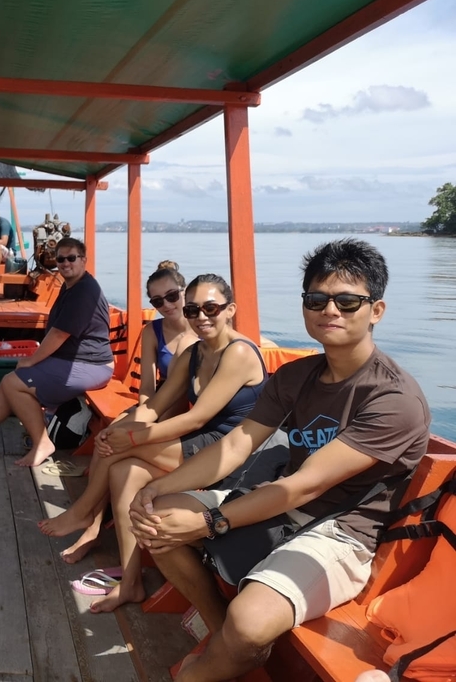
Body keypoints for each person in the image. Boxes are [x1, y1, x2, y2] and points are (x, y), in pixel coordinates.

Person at [130, 239, 430, 682]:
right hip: (277, 507)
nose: (331, 310)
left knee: (250, 624)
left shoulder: (393, 399)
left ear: (376, 310)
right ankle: (219, 629)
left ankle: (203, 667)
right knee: (157, 519)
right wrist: (157, 488)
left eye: (348, 301)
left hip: (341, 531)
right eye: (317, 299)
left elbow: (305, 486)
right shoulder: (295, 376)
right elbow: (236, 446)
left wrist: (211, 522)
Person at [40, 274, 267, 613]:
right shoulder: (193, 353)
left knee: (121, 447)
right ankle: (130, 583)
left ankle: (85, 512)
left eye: (211, 308)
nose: (201, 316)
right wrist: (122, 425)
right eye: (193, 310)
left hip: (231, 453)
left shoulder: (239, 353)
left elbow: (197, 418)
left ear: (230, 309)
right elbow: (156, 405)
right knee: (124, 473)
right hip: (198, 442)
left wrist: (128, 437)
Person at [0, 238, 114, 466]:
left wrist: (31, 361)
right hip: (73, 360)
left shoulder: (84, 291)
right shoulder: (70, 285)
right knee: (9, 382)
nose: (65, 263)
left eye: (71, 258)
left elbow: (59, 335)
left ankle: (43, 442)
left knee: (14, 382)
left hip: (91, 365)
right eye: (60, 259)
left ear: (83, 259)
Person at [138, 261, 197, 406]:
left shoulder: (205, 327)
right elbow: (147, 388)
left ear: (186, 292)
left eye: (172, 296)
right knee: (115, 427)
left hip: (196, 405)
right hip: (162, 403)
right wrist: (143, 416)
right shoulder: (151, 331)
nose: (167, 305)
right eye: (158, 301)